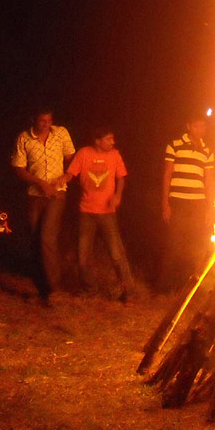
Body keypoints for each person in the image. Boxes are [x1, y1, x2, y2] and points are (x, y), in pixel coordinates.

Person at [59, 127, 137, 301]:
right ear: (97, 140)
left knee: (117, 255)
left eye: (112, 139)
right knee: (83, 256)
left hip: (107, 212)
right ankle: (90, 289)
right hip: (86, 210)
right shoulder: (84, 154)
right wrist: (64, 178)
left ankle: (129, 292)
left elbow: (121, 178)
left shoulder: (115, 155)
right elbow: (71, 173)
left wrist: (117, 195)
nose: (112, 142)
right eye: (108, 139)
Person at [11, 108, 75, 304]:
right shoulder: (24, 138)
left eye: (48, 120)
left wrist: (65, 176)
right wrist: (40, 183)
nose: (46, 124)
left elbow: (72, 157)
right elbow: (19, 168)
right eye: (42, 121)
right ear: (34, 120)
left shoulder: (61, 133)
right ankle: (42, 288)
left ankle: (54, 288)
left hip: (57, 193)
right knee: (35, 239)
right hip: (35, 195)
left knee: (47, 236)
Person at [160, 111, 215, 293]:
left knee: (193, 245)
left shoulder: (207, 151)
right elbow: (167, 175)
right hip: (178, 202)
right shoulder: (175, 146)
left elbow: (208, 181)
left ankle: (186, 288)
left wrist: (210, 207)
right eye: (197, 125)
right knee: (174, 244)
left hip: (198, 204)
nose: (201, 129)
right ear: (189, 126)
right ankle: (164, 287)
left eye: (204, 126)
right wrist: (165, 203)